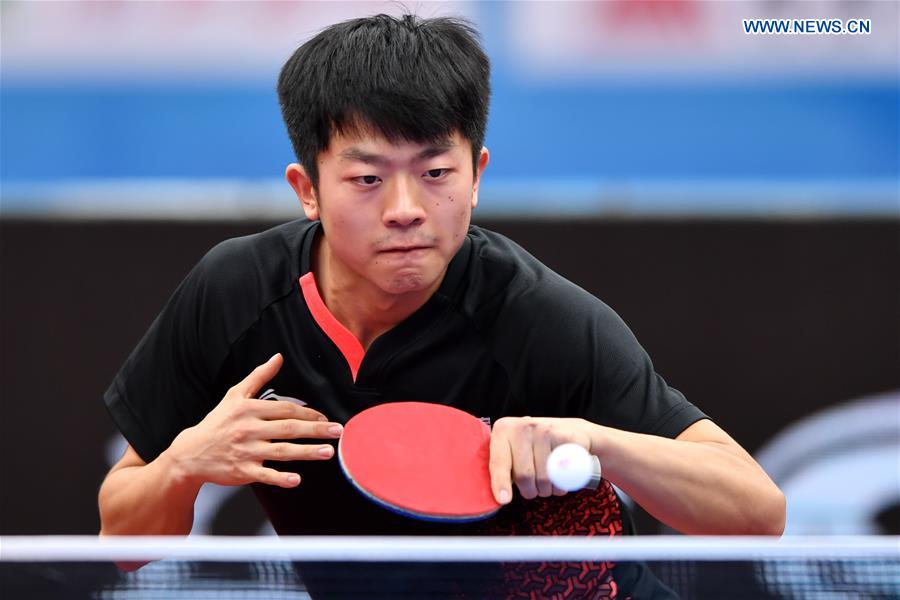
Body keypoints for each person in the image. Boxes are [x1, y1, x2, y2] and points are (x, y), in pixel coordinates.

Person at [98, 13, 785, 598]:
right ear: (306, 189)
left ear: (477, 175)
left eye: (435, 174)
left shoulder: (536, 318)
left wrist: (594, 440)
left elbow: (757, 511)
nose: (405, 211)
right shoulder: (235, 294)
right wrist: (184, 463)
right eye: (367, 178)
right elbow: (120, 543)